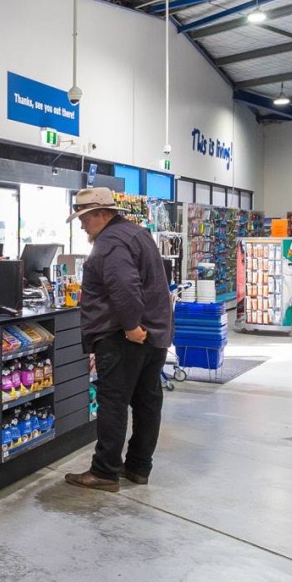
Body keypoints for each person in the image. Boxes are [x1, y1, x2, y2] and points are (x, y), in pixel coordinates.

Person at [63, 188, 173, 492]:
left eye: (84, 219)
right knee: (147, 402)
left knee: (113, 402)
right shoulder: (137, 234)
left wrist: (130, 325)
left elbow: (124, 287)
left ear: (101, 214)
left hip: (124, 336)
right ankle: (138, 467)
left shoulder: (110, 242)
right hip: (154, 334)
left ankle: (104, 471)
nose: (82, 226)